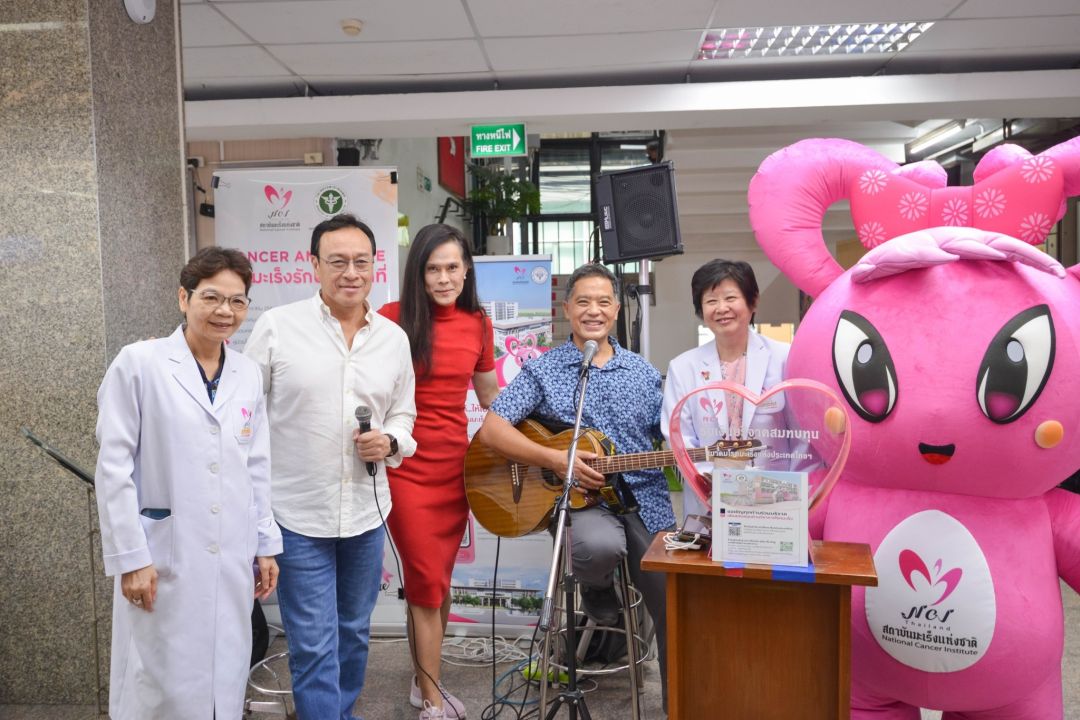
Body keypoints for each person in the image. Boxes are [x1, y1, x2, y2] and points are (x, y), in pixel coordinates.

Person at [95, 247, 281, 720]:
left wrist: (265, 545)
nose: (225, 311)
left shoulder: (246, 374)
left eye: (237, 301)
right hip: (163, 555)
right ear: (184, 298)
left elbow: (256, 465)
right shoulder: (139, 364)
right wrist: (132, 558)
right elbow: (113, 467)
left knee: (225, 676)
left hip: (231, 553)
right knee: (162, 686)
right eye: (211, 298)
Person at [245, 213, 417, 720]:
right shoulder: (278, 327)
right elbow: (244, 413)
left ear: (375, 265)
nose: (350, 273)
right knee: (314, 642)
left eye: (361, 262)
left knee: (354, 632)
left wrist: (390, 440)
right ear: (314, 265)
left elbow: (404, 413)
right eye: (337, 262)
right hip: (297, 515)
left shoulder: (393, 338)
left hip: (366, 511)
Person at [475, 262, 674, 697]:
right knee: (598, 547)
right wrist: (555, 457)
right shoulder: (545, 370)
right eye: (583, 301)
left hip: (646, 500)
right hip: (583, 503)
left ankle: (678, 702)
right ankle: (599, 593)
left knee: (674, 596)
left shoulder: (643, 372)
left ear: (616, 309)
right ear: (566, 309)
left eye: (603, 302)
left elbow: (671, 436)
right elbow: (492, 429)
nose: (593, 311)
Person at [378, 224, 499, 720]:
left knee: (439, 583)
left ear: (467, 270)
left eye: (452, 267)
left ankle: (422, 678)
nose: (444, 278)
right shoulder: (390, 318)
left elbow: (490, 396)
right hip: (404, 466)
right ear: (418, 273)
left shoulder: (478, 323)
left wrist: (537, 437)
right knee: (426, 583)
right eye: (433, 269)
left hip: (455, 469)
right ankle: (432, 702)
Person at [661, 259, 809, 520]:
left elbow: (803, 436)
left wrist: (795, 493)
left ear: (753, 302)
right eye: (711, 301)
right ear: (700, 309)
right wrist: (716, 488)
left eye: (730, 298)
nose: (721, 308)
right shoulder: (683, 367)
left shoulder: (786, 358)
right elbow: (680, 439)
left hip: (778, 500)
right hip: (708, 501)